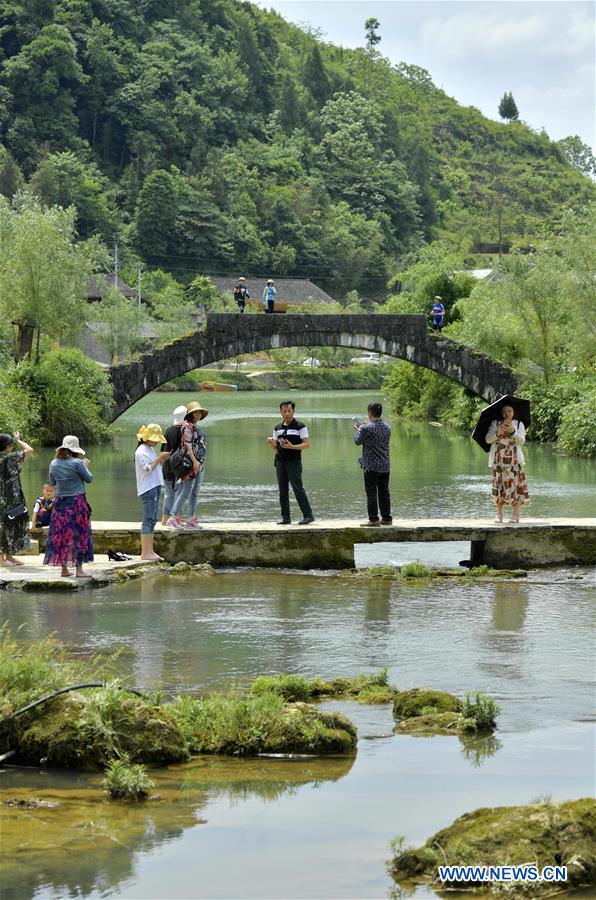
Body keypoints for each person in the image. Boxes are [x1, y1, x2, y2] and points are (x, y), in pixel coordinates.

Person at [44, 435, 94, 578]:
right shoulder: (77, 463)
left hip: (60, 502)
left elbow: (52, 482)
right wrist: (85, 466)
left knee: (61, 534)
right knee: (79, 534)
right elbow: (89, 479)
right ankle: (79, 570)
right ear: (75, 449)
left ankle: (64, 569)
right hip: (77, 502)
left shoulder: (53, 463)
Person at [267, 400, 315, 525]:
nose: (287, 414)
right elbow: (276, 448)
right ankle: (286, 518)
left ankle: (308, 515)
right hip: (280, 462)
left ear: (293, 411)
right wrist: (272, 443)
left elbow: (307, 444)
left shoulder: (300, 426)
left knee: (298, 488)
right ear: (281, 412)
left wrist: (292, 446)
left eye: (289, 411)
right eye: (284, 411)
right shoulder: (277, 428)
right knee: (282, 490)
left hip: (294, 462)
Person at [166, 401, 208, 529]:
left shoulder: (196, 427)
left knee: (195, 492)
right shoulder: (187, 426)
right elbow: (187, 445)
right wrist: (194, 462)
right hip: (190, 463)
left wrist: (199, 463)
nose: (198, 414)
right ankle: (173, 517)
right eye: (195, 412)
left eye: (199, 412)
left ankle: (192, 519)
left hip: (199, 463)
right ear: (190, 414)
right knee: (186, 491)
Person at [486, 403, 529, 524]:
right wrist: (497, 433)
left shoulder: (519, 424)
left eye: (509, 411)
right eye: (504, 411)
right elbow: (488, 439)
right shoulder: (495, 423)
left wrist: (513, 432)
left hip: (514, 461)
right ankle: (499, 514)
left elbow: (521, 441)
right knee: (499, 486)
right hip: (498, 460)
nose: (507, 414)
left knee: (517, 486)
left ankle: (516, 514)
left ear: (513, 412)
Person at [353, 403, 392, 527]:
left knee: (371, 492)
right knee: (384, 492)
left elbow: (357, 441)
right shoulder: (387, 427)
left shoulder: (366, 428)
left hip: (371, 466)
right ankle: (386, 518)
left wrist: (358, 431)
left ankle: (374, 519)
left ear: (370, 413)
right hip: (385, 465)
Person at [136, 424, 170, 560]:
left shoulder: (149, 449)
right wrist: (159, 458)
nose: (156, 442)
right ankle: (146, 552)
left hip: (154, 485)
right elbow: (147, 469)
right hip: (148, 487)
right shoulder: (141, 451)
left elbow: (154, 467)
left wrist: (161, 459)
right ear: (147, 438)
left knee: (152, 519)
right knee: (148, 519)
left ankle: (150, 551)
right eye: (154, 439)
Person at [0, 431, 33, 567]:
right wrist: (18, 439)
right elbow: (29, 450)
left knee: (9, 524)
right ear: (7, 446)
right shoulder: (8, 458)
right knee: (7, 525)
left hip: (6, 496)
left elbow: (23, 458)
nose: (13, 447)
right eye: (12, 445)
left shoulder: (7, 458)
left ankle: (9, 557)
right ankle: (2, 559)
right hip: (10, 497)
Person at [161, 405, 187, 525]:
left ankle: (165, 519)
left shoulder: (168, 430)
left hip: (166, 467)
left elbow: (163, 451)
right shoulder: (183, 432)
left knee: (168, 494)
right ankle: (176, 519)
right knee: (179, 494)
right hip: (178, 468)